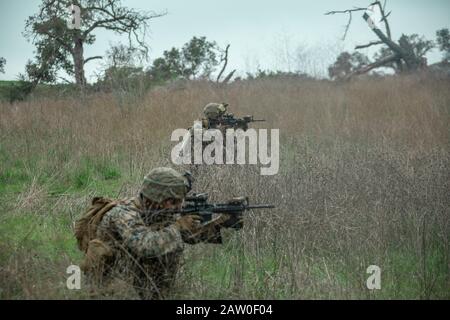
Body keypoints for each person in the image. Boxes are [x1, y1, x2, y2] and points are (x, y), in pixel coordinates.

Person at [74, 167, 239, 299]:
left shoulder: (157, 211)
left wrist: (222, 220)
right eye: (172, 201)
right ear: (154, 197)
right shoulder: (123, 214)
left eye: (179, 201)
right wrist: (177, 227)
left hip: (142, 287)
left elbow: (188, 235)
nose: (178, 207)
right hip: (114, 289)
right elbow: (146, 246)